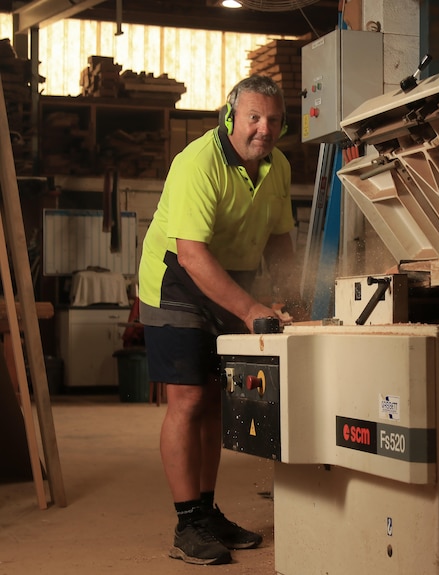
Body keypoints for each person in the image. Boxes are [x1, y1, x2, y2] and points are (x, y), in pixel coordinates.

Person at [138, 75, 296, 565]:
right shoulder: (197, 163)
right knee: (187, 398)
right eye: (253, 117)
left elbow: (280, 242)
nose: (263, 128)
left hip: (230, 280)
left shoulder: (279, 167)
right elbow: (191, 254)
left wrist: (291, 298)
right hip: (178, 278)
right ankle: (187, 525)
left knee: (214, 401)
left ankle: (206, 512)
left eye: (272, 119)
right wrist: (250, 309)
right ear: (230, 117)